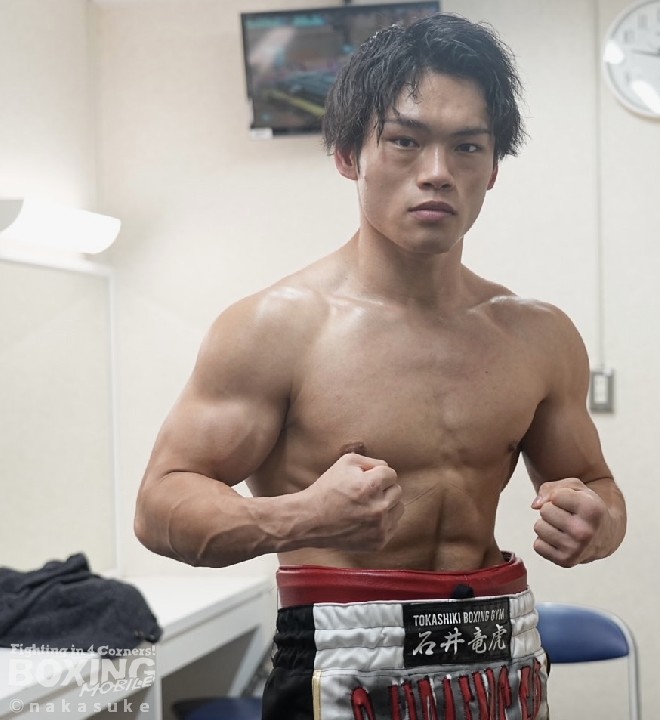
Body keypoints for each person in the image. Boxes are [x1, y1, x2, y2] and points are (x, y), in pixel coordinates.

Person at [134, 13, 626, 720]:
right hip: (342, 656)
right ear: (348, 154)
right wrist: (303, 516)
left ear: (493, 169)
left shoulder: (539, 335)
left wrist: (596, 523)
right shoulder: (278, 327)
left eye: (467, 146)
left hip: (500, 653)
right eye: (404, 140)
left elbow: (600, 488)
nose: (438, 173)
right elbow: (159, 506)